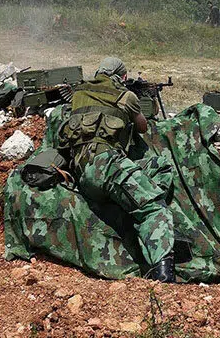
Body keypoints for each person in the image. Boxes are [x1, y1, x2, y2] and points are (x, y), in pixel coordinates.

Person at [60, 57, 176, 282]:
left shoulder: (79, 92)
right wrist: (134, 99)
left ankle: (134, 199)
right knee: (154, 208)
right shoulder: (125, 96)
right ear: (122, 77)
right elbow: (142, 126)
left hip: (82, 173)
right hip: (107, 165)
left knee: (157, 168)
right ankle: (163, 276)